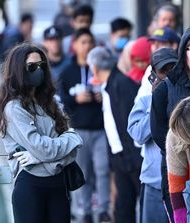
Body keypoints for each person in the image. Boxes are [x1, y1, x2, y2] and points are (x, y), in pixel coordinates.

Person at [0, 43, 83, 223]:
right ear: (18, 70)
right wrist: (70, 140)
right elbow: (45, 148)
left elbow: (72, 151)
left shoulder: (50, 102)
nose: (38, 70)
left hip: (58, 184)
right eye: (32, 67)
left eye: (41, 65)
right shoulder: (13, 108)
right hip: (31, 186)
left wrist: (40, 156)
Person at [150, 25, 190, 222]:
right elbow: (158, 132)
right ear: (184, 51)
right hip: (177, 171)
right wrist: (186, 154)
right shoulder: (165, 88)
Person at [58, 28, 111, 223]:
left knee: (103, 170)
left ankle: (104, 209)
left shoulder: (101, 68)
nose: (87, 46)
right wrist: (75, 98)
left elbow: (113, 92)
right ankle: (84, 210)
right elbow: (60, 100)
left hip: (100, 129)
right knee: (83, 172)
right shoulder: (67, 70)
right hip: (78, 130)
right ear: (74, 45)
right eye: (83, 42)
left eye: (90, 42)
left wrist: (101, 96)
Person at [86, 46, 141, 223]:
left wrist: (132, 158)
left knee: (144, 203)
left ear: (94, 67)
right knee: (122, 209)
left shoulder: (121, 84)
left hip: (133, 157)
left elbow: (128, 123)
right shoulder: (109, 85)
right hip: (120, 158)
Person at [127, 47, 177, 223]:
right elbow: (138, 135)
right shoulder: (145, 101)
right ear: (153, 75)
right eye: (164, 71)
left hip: (182, 181)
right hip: (154, 182)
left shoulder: (185, 98)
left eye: (173, 69)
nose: (168, 75)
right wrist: (156, 103)